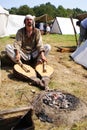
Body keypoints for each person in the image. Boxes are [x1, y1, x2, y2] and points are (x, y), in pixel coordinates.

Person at [5, 14, 51, 90]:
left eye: (30, 20)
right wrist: (17, 54)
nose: (29, 21)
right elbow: (17, 43)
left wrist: (42, 55)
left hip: (34, 53)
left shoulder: (37, 31)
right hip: (23, 53)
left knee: (48, 47)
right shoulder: (20, 31)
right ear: (25, 22)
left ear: (33, 22)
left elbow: (40, 44)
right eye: (27, 20)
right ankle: (21, 63)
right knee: (8, 47)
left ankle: (37, 64)